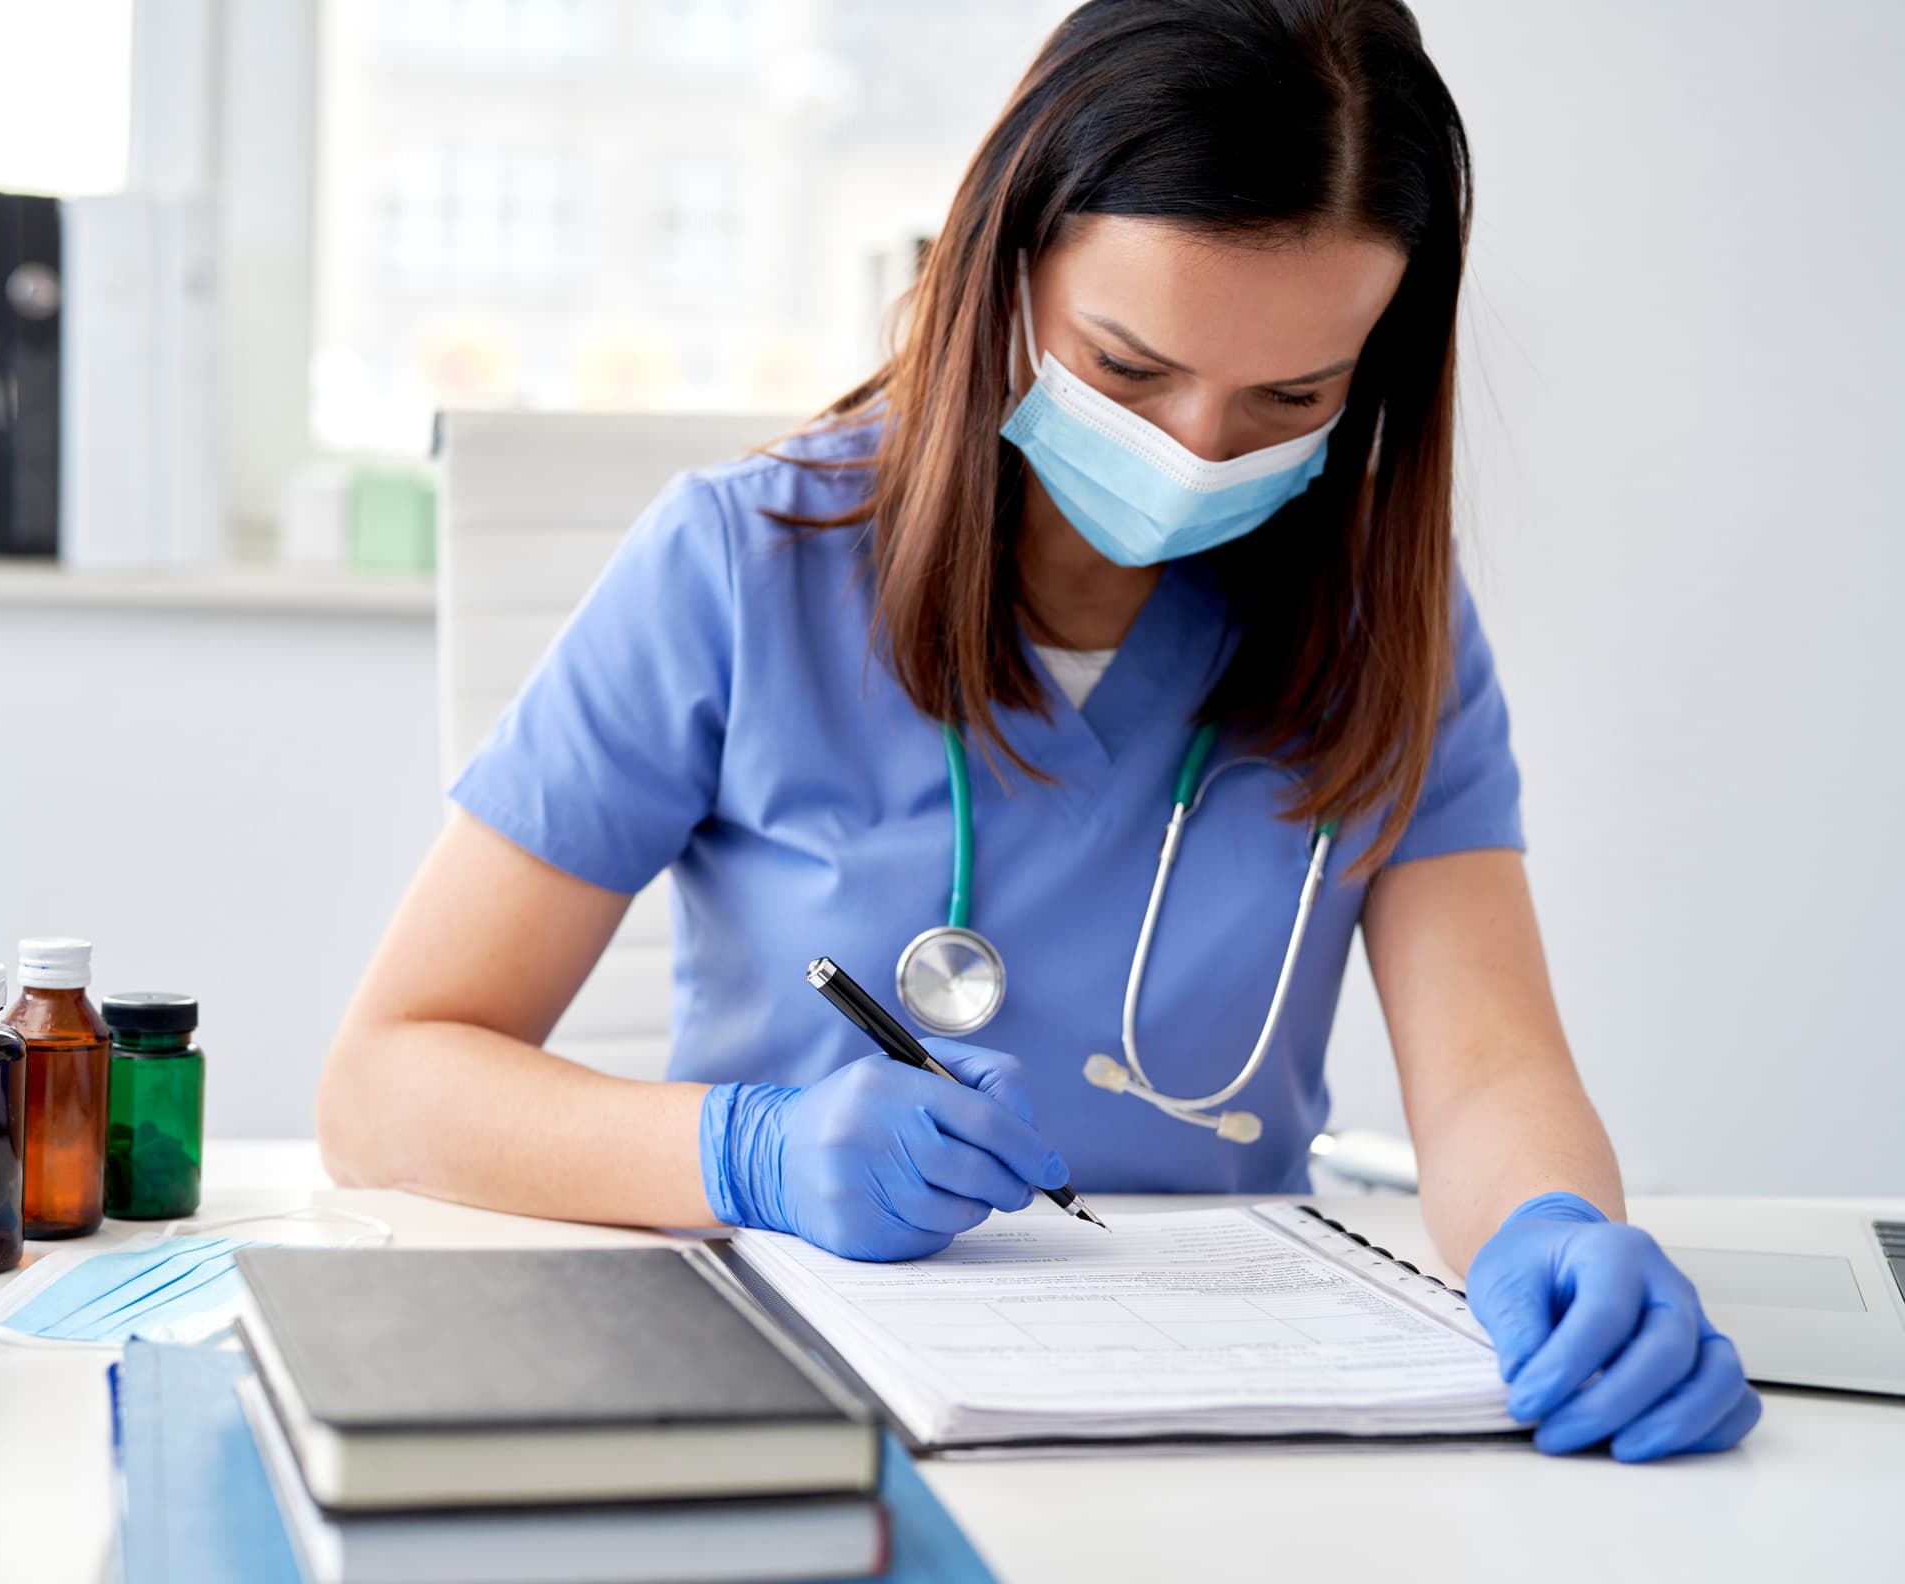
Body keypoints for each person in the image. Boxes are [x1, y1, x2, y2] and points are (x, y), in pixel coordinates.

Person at [319, 0, 1758, 1463]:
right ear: (1004, 269)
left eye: (1291, 397)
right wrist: (744, 1151)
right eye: (1130, 368)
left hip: (1233, 1412)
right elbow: (389, 1082)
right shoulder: (741, 565)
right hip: (812, 1402)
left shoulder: (1388, 627)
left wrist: (1555, 1234)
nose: (1196, 450)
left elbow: (1492, 1079)